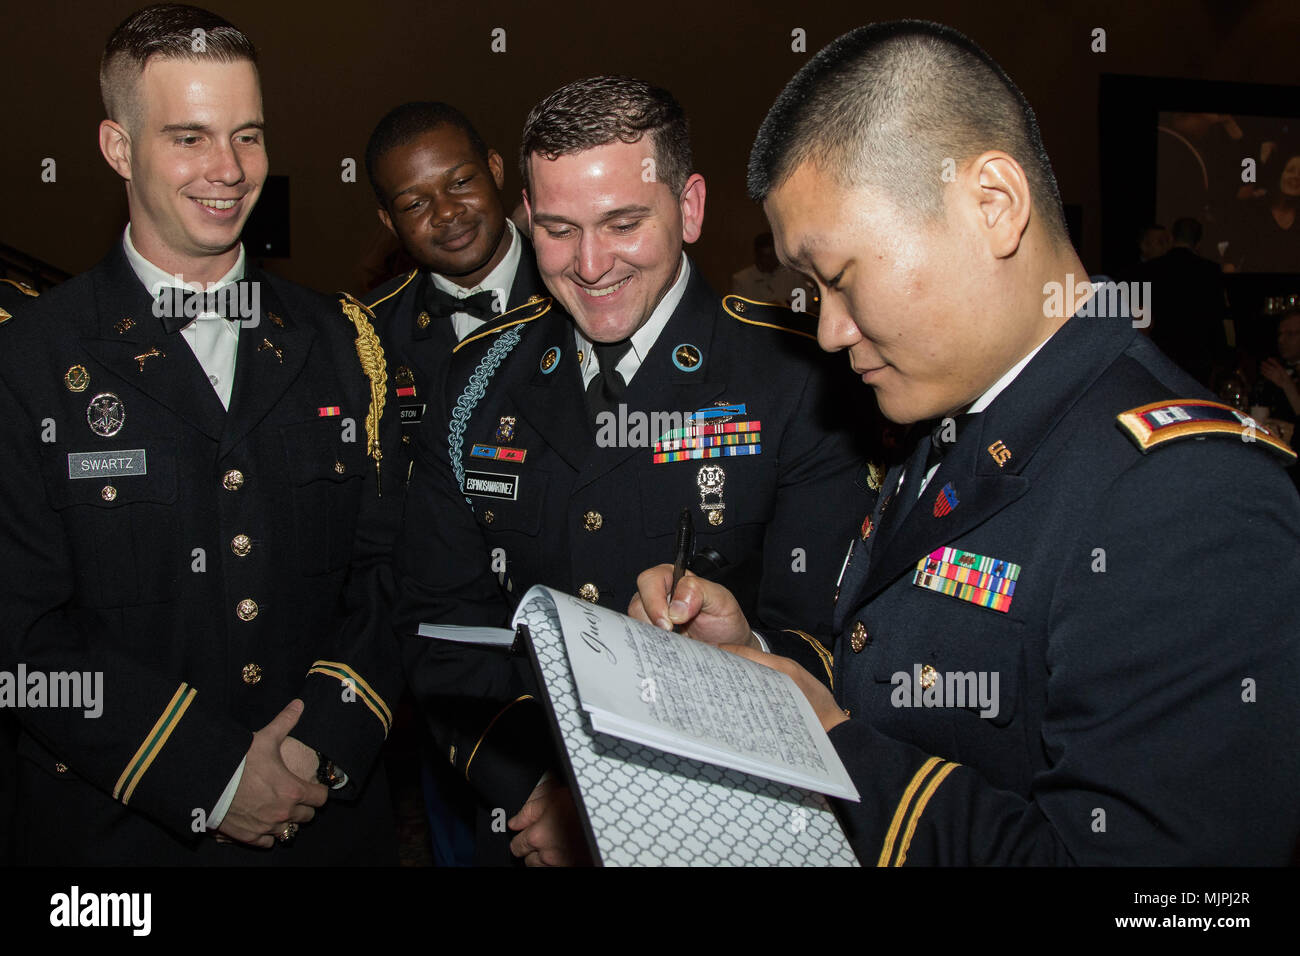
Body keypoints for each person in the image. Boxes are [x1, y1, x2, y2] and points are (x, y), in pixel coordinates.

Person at [632, 20, 1300, 865]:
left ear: (992, 204)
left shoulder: (1191, 496)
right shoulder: (951, 411)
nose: (831, 331)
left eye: (839, 280)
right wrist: (761, 669)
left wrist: (830, 747)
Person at [395, 75, 874, 864]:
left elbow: (830, 638)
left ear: (688, 207)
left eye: (622, 224)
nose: (589, 265)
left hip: (726, 821)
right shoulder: (475, 379)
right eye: (556, 228)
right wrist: (539, 787)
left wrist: (628, 795)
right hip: (522, 822)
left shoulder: (797, 376)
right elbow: (439, 630)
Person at [0, 3, 402, 864]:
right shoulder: (28, 358)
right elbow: (20, 639)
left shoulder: (343, 341)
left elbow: (389, 571)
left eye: (247, 136)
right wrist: (211, 772)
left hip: (324, 821)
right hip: (118, 840)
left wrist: (313, 745)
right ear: (117, 147)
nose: (228, 170)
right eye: (188, 137)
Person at [361, 102, 551, 468]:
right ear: (389, 221)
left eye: (461, 182)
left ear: (494, 169)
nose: (446, 211)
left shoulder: (576, 294)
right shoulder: (370, 332)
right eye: (415, 204)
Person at [1140, 217, 1227, 385]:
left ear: (1172, 238)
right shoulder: (1210, 270)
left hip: (1161, 353)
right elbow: (1217, 315)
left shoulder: (1151, 269)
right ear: (1199, 242)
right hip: (1199, 354)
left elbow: (1141, 317)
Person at [730, 231, 810, 306]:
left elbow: (805, 304)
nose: (770, 261)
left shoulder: (793, 276)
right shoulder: (742, 280)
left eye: (773, 256)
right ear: (757, 256)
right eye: (766, 256)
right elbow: (739, 309)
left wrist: (787, 305)